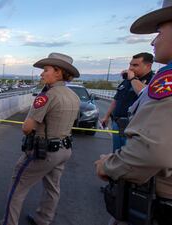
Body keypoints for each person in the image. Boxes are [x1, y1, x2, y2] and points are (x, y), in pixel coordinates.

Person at [95, 1, 172, 225]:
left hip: (156, 196)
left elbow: (153, 150)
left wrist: (109, 166)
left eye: (159, 32)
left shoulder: (165, 81)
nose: (153, 41)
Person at [0, 53, 80, 225]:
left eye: (45, 70)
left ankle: (9, 222)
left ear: (58, 73)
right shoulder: (73, 96)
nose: (41, 74)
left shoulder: (47, 96)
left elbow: (27, 128)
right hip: (64, 149)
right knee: (52, 188)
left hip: (44, 151)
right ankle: (43, 220)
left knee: (18, 186)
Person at [100, 52, 154, 152]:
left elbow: (146, 94)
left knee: (129, 156)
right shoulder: (127, 80)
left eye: (135, 65)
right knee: (116, 153)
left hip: (134, 127)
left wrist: (133, 79)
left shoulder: (153, 80)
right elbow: (117, 99)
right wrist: (106, 116)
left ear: (148, 66)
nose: (131, 68)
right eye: (130, 64)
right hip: (117, 122)